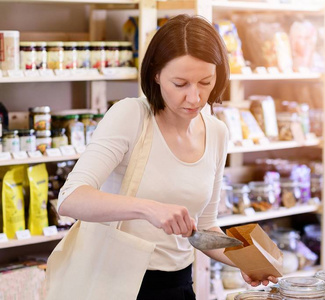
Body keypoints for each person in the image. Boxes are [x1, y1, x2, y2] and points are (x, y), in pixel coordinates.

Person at [57, 14, 278, 299]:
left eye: (205, 82)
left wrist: (246, 262)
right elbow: (71, 198)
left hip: (177, 285)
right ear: (156, 74)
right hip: (115, 283)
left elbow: (206, 225)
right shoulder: (131, 116)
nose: (195, 98)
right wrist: (149, 209)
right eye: (181, 83)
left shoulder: (217, 132)